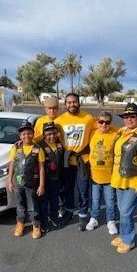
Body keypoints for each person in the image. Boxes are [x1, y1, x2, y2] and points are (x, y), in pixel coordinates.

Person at [110, 103, 137, 254]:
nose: (129, 119)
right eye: (126, 117)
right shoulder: (121, 132)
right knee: (122, 210)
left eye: (132, 117)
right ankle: (123, 236)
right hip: (119, 179)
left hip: (134, 181)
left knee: (126, 212)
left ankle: (129, 240)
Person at [55, 93, 95, 231]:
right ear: (65, 104)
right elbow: (47, 136)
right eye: (69, 102)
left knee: (83, 190)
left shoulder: (88, 118)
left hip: (82, 161)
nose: (72, 105)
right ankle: (69, 212)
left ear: (79, 102)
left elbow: (102, 130)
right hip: (66, 162)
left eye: (74, 102)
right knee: (68, 190)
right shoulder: (59, 121)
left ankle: (83, 215)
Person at [8, 120, 45, 239]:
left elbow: (41, 168)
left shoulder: (38, 149)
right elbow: (12, 165)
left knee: (33, 205)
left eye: (29, 133)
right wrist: (10, 181)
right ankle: (20, 223)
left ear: (33, 134)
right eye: (23, 134)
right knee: (20, 204)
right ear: (20, 136)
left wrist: (41, 185)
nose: (26, 136)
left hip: (32, 183)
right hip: (18, 183)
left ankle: (36, 225)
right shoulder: (16, 147)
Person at [86, 111, 118, 234]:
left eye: (107, 122)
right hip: (94, 175)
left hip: (109, 176)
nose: (104, 124)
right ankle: (94, 218)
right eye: (101, 122)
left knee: (110, 200)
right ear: (97, 122)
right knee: (95, 200)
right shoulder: (92, 131)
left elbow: (128, 131)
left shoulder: (116, 133)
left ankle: (111, 221)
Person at [34, 96, 65, 218]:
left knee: (61, 187)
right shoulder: (40, 121)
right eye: (49, 109)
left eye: (54, 108)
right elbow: (35, 138)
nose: (52, 111)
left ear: (58, 108)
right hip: (45, 159)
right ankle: (45, 211)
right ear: (45, 109)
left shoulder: (62, 120)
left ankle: (61, 208)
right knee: (46, 187)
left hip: (60, 156)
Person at [38, 122, 64, 232]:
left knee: (54, 200)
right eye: (48, 134)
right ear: (44, 135)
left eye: (54, 133)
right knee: (43, 202)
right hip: (45, 179)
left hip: (57, 178)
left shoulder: (60, 143)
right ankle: (43, 221)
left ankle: (54, 217)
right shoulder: (39, 145)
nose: (52, 136)